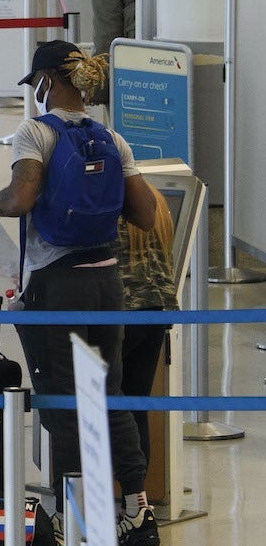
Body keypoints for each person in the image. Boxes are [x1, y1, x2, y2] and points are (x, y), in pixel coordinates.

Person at [0, 41, 161, 546]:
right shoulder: (113, 138)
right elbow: (144, 214)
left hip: (57, 283)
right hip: (108, 282)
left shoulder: (36, 133)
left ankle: (72, 519)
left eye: (37, 85)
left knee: (61, 399)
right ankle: (137, 510)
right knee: (108, 393)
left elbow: (19, 199)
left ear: (48, 81)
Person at [117, 197, 179, 470]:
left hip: (124, 311)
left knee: (108, 404)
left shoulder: (116, 203)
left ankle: (114, 489)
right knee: (136, 405)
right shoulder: (156, 199)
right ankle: (138, 494)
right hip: (156, 311)